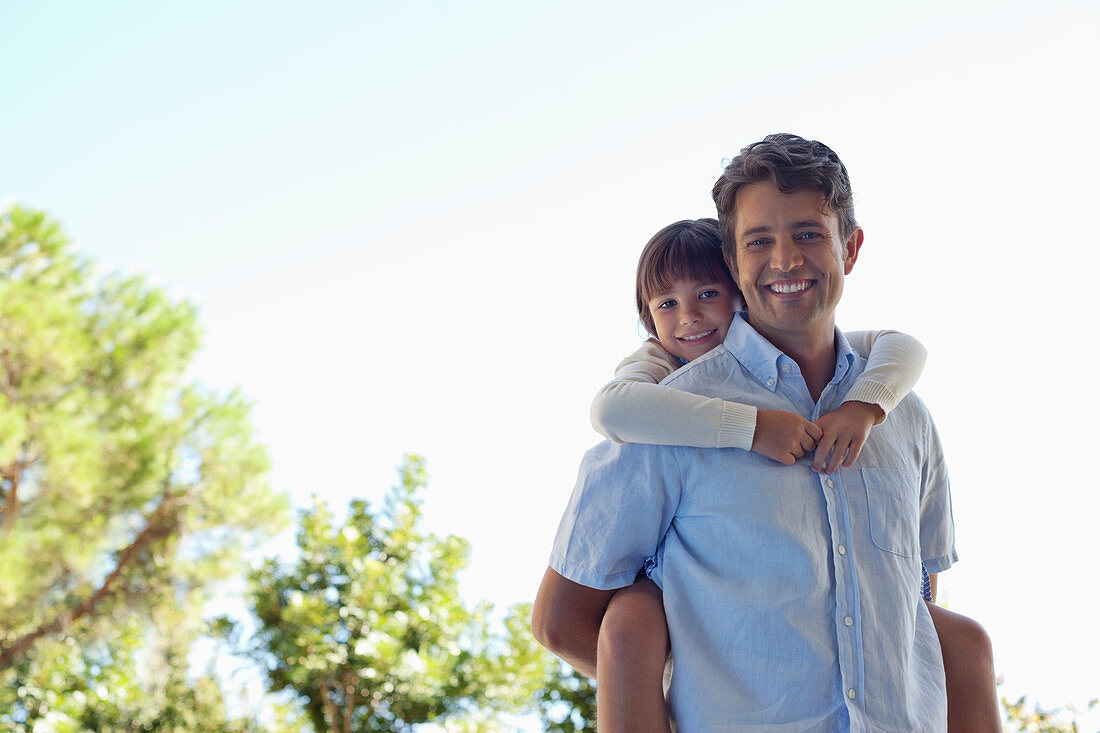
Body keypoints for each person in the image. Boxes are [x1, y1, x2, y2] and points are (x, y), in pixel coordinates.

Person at [533, 133, 996, 731]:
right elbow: (563, 623)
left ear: (849, 249)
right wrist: (671, 685)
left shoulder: (905, 417)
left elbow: (921, 602)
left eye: (808, 234)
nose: (785, 260)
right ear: (733, 260)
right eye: (759, 241)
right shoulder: (669, 417)